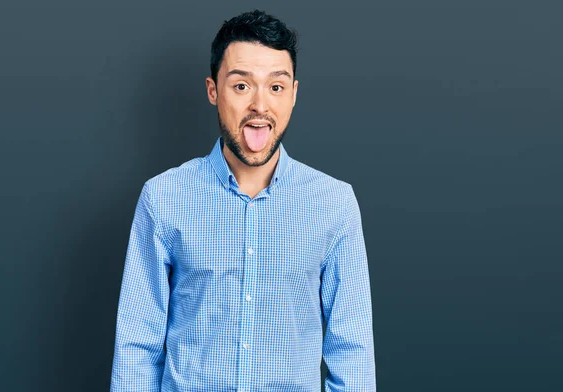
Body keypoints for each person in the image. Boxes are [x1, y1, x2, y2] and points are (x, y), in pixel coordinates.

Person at [110, 9, 376, 392]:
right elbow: (138, 344)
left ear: (294, 94)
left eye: (276, 87)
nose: (260, 106)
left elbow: (352, 351)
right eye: (241, 86)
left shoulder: (335, 204)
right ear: (213, 90)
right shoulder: (163, 198)